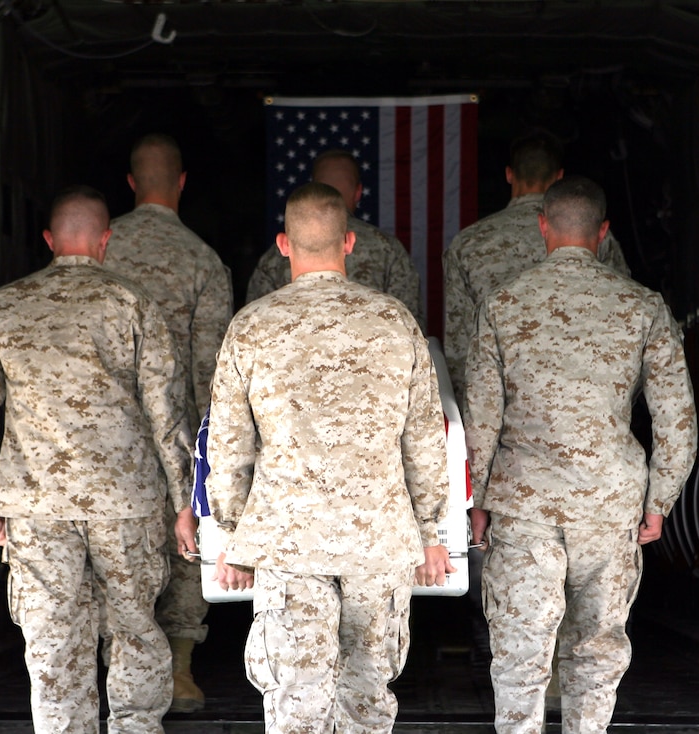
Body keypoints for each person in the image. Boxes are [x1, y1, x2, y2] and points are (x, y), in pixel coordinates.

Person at [205, 182, 454, 732]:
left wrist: (229, 539)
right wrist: (433, 533)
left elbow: (227, 444)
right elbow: (424, 439)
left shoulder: (251, 326)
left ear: (283, 245)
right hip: (380, 539)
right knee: (367, 697)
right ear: (348, 242)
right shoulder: (395, 322)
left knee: (296, 700)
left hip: (287, 542)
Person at [0, 186, 194, 733]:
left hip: (35, 508)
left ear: (48, 241)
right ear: (106, 241)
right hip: (126, 505)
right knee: (134, 631)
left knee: (55, 641)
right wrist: (184, 504)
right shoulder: (132, 305)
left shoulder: (3, 307)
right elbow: (169, 415)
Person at [463, 176, 697, 734]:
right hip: (611, 509)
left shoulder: (503, 305)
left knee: (522, 655)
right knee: (595, 654)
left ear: (543, 226)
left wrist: (475, 503)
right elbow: (677, 420)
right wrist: (659, 500)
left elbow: (481, 419)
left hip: (523, 509)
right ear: (605, 232)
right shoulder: (642, 307)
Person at [102, 132, 233, 713]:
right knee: (185, 548)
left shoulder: (97, 249)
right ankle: (179, 673)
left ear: (130, 183)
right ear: (182, 183)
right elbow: (212, 369)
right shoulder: (202, 260)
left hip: (102, 437)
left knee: (113, 553)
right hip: (176, 432)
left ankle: (118, 675)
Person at [443, 129, 630, 406]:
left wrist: (472, 415)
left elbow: (459, 346)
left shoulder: (467, 243)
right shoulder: (595, 236)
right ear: (559, 178)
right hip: (584, 402)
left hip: (501, 404)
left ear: (509, 175)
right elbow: (622, 315)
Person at [246, 149, 424, 326]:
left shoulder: (277, 254)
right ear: (358, 192)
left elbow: (255, 320)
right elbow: (410, 324)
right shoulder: (389, 249)